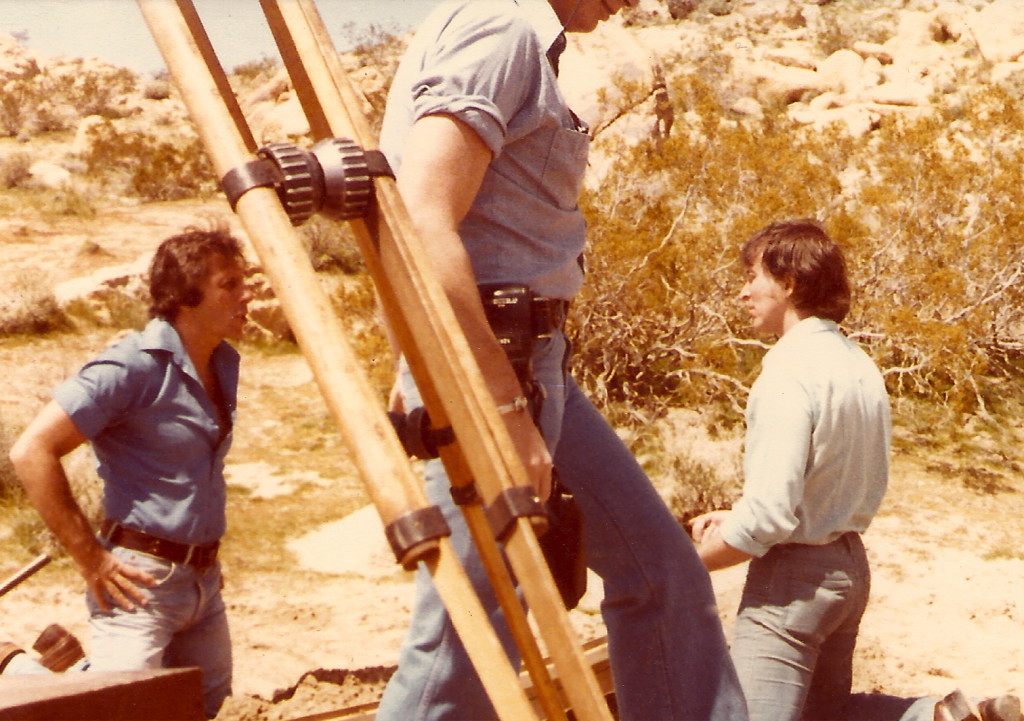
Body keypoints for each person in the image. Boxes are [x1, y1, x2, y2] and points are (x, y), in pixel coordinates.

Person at [375, 1, 748, 719]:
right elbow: (420, 217)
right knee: (469, 642)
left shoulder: (506, 33)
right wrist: (502, 405)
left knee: (663, 575)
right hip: (494, 368)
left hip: (533, 364)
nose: (633, 2)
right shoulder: (502, 30)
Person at [3, 226, 251, 719]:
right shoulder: (130, 367)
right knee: (113, 713)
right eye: (229, 285)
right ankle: (14, 669)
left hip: (203, 584)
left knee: (207, 711)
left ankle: (69, 672)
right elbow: (31, 451)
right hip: (138, 583)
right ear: (185, 298)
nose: (247, 295)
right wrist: (90, 559)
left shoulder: (223, 363)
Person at [689, 219, 891, 721]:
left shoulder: (787, 370)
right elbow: (831, 482)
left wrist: (682, 565)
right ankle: (937, 714)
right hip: (848, 569)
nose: (743, 292)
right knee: (826, 715)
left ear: (789, 283)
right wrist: (735, 516)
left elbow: (768, 519)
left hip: (792, 582)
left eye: (752, 277)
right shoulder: (858, 364)